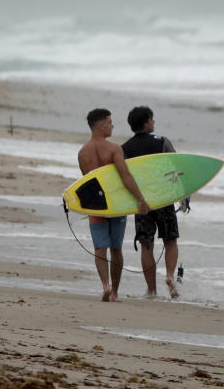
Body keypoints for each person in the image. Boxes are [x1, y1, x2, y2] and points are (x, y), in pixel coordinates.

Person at [77, 108, 150, 302]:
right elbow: (125, 176)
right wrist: (140, 198)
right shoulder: (114, 149)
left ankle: (105, 285)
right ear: (101, 125)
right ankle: (115, 292)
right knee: (116, 248)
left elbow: (88, 183)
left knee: (100, 248)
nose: (112, 125)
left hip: (97, 206)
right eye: (109, 122)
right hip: (116, 204)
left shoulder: (83, 153)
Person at [122, 106, 182, 299]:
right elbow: (178, 168)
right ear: (146, 122)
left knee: (146, 245)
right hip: (163, 198)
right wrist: (183, 194)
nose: (154, 122)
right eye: (152, 119)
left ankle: (151, 290)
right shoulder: (162, 142)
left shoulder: (125, 148)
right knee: (170, 240)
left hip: (141, 203)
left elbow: (123, 177)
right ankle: (170, 276)